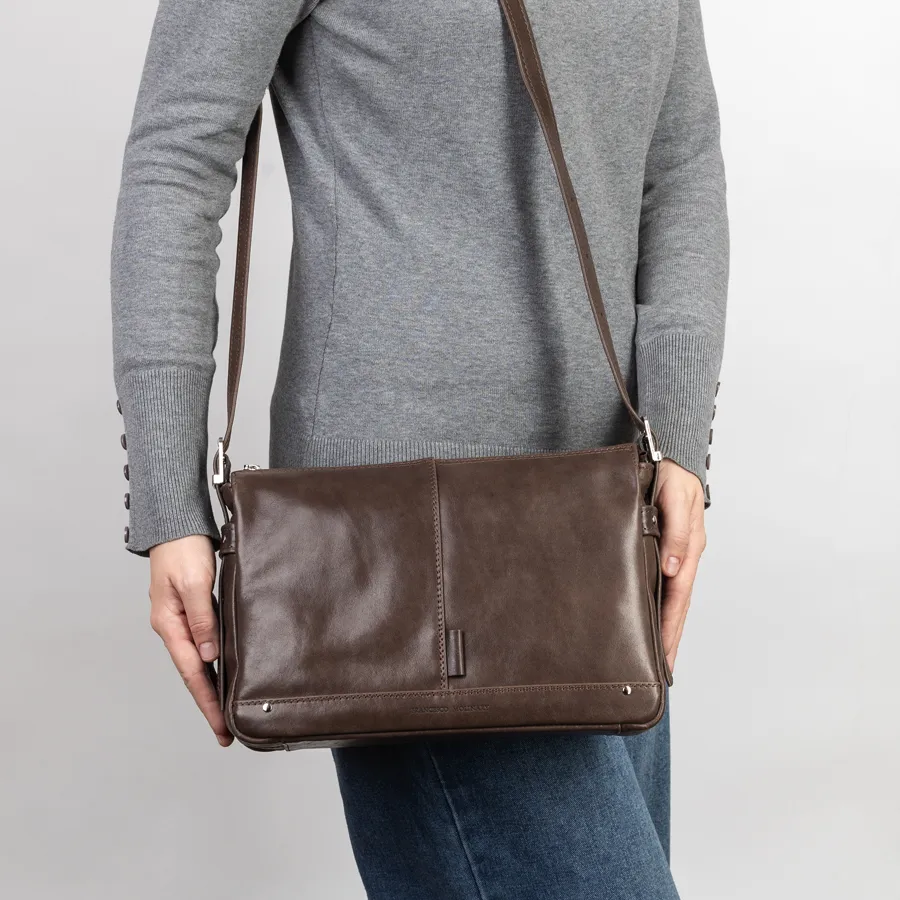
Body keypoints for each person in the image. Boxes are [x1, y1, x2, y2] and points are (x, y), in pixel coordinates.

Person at [111, 1, 728, 896]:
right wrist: (172, 499)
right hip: (405, 545)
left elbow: (679, 165)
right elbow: (177, 158)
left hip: (601, 531)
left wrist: (677, 437)